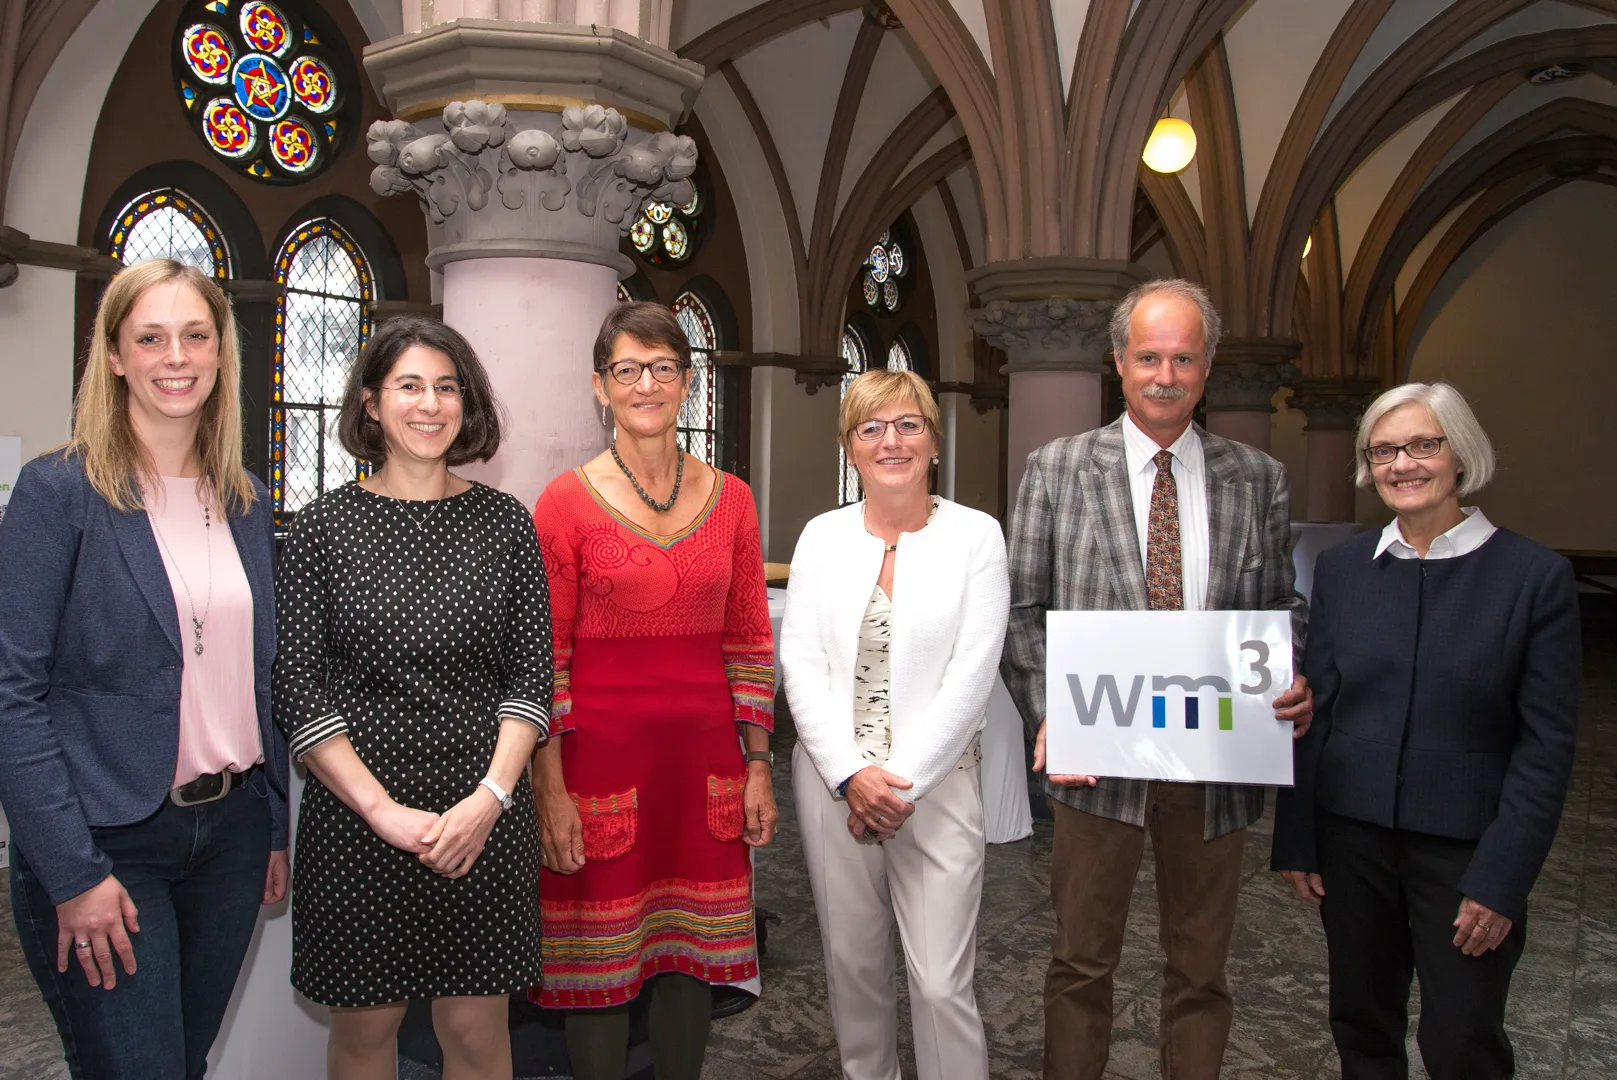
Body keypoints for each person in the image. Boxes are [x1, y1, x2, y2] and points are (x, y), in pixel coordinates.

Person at [1001, 278, 1313, 1080]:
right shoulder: (1057, 469)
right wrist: (1050, 711)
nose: (1164, 376)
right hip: (1097, 757)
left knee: (1200, 971)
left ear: (1207, 367)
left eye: (1182, 358)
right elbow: (1022, 609)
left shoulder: (1258, 478)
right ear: (1118, 362)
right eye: (1148, 358)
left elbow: (1281, 605)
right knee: (1079, 963)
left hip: (1213, 760)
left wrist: (1287, 674)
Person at [0, 259, 289, 1079]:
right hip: (107, 840)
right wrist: (71, 872)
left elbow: (258, 679)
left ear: (221, 352)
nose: (176, 357)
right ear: (116, 355)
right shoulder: (60, 492)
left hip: (230, 836)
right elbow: (11, 696)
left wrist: (271, 827)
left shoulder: (245, 501)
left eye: (196, 336)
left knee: (183, 1065)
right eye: (152, 338)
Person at [1271, 381, 1580, 1079]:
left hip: (1467, 851)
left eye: (1422, 445)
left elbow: (1546, 747)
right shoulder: (1342, 570)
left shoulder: (1533, 577)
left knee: (1463, 1040)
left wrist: (1502, 879)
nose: (1402, 464)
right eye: (1383, 451)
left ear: (1460, 454)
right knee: (1359, 1025)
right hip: (1351, 843)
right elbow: (1317, 709)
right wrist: (1298, 837)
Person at [273, 316, 552, 1080]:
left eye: (446, 387)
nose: (430, 404)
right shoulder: (322, 528)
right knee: (366, 1033)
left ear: (467, 403)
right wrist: (381, 811)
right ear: (370, 403)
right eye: (409, 386)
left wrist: (490, 798)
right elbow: (298, 687)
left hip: (482, 812)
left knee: (475, 1031)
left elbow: (531, 678)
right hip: (359, 817)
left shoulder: (505, 523)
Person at [530, 301, 777, 1080]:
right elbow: (544, 660)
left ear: (687, 381)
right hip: (597, 768)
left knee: (691, 963)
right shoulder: (563, 503)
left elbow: (749, 640)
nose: (646, 385)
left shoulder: (733, 499)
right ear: (599, 386)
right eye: (627, 369)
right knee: (598, 970)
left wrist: (759, 764)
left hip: (703, 769)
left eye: (663, 368)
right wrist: (549, 790)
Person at [780, 369, 1009, 1080]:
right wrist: (851, 775)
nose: (891, 441)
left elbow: (972, 674)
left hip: (936, 788)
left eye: (909, 425)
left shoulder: (976, 537)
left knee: (941, 985)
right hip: (834, 785)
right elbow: (802, 662)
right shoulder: (821, 537)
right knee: (853, 971)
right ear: (849, 445)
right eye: (871, 427)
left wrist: (895, 783)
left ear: (934, 441)